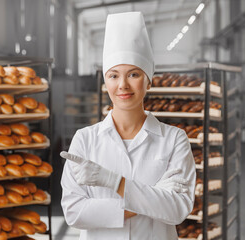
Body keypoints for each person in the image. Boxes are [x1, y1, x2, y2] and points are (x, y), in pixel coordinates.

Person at [60, 12, 196, 239]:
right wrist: (152, 200)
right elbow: (74, 213)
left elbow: (177, 209)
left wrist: (113, 182)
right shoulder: (85, 139)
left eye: (133, 74)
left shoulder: (174, 139)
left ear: (149, 81)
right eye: (113, 76)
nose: (123, 85)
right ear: (106, 83)